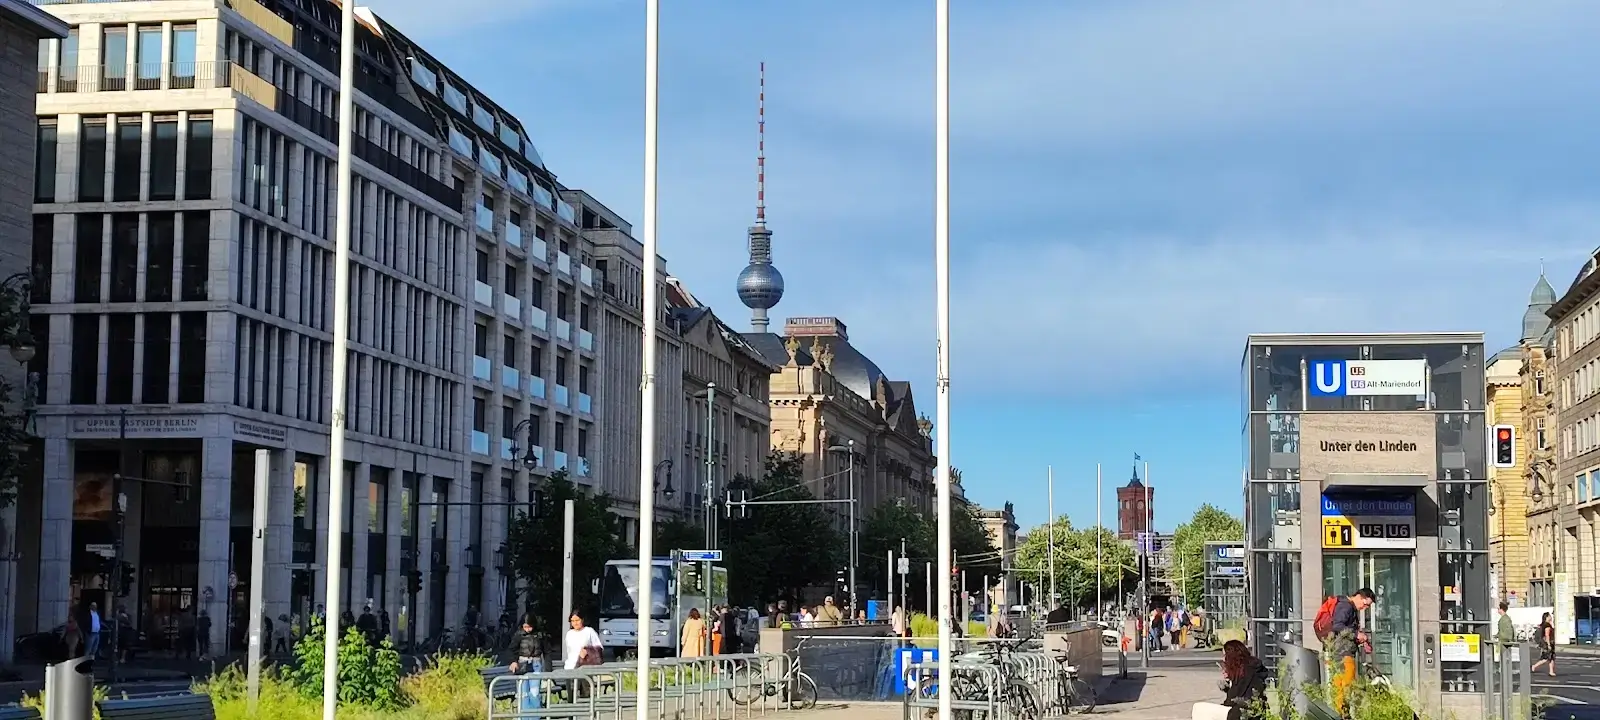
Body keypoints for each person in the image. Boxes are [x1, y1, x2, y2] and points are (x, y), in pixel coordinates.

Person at [1327, 588, 1375, 716]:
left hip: (1342, 651)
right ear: (1359, 597)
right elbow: (1337, 626)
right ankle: (1343, 713)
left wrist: (1358, 638)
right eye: (1365, 604)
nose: (1365, 608)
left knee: (1340, 685)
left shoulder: (1348, 607)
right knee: (1346, 685)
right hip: (1343, 653)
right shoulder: (1346, 606)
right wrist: (1356, 634)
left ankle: (1341, 712)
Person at [1192, 640, 1269, 720]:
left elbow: (1233, 699)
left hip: (1243, 713)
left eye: (1225, 655)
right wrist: (1229, 685)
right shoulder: (1249, 669)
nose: (1223, 659)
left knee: (1199, 708)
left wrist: (1231, 684)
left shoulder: (1245, 672)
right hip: (1247, 710)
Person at [1530, 612, 1556, 678]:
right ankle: (1534, 666)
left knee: (1551, 658)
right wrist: (1549, 644)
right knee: (1546, 658)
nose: (1551, 617)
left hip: (1549, 643)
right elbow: (1547, 635)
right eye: (1550, 616)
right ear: (1546, 617)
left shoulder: (1545, 625)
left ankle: (1551, 671)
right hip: (1548, 643)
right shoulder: (1547, 625)